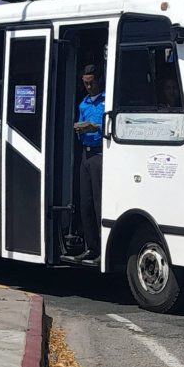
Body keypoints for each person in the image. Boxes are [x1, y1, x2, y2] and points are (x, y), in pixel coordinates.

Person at [74, 64, 105, 263]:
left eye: (92, 82)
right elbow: (79, 123)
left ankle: (102, 246)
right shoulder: (83, 104)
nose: (89, 87)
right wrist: (80, 130)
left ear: (99, 80)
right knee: (85, 202)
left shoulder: (105, 101)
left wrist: (97, 128)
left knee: (98, 202)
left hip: (100, 153)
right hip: (85, 154)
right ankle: (91, 246)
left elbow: (111, 125)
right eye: (85, 83)